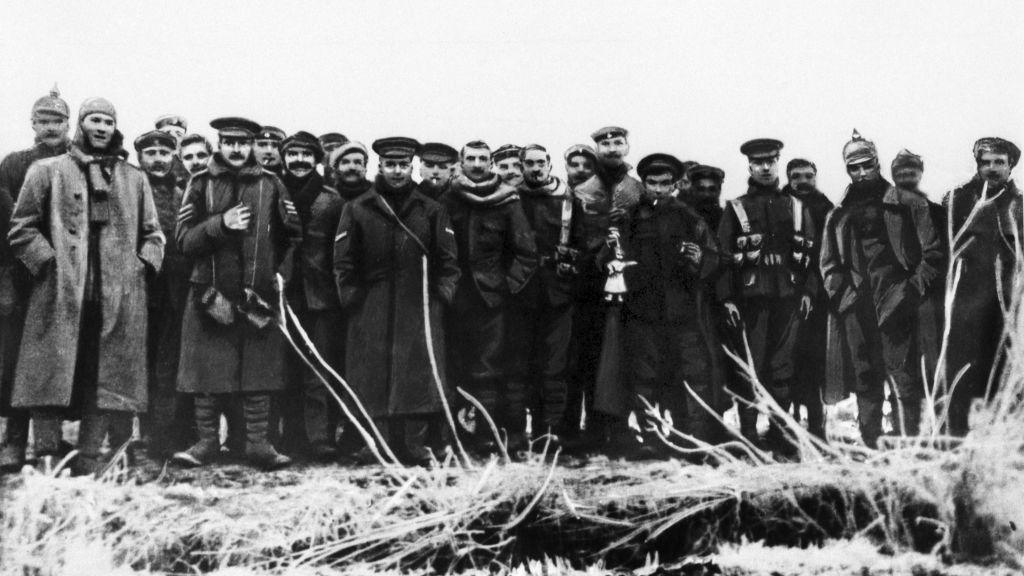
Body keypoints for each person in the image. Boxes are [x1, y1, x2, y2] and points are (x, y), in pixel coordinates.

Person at [8, 97, 164, 475]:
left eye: (107, 122)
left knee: (105, 375)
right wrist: (46, 262)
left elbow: (154, 234)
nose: (101, 128)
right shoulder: (47, 171)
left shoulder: (134, 178)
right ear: (81, 124)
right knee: (49, 373)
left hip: (116, 299)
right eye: (94, 120)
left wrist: (139, 267)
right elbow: (21, 228)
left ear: (115, 128)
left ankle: (92, 457)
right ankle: (46, 454)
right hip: (60, 294)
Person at [172, 116, 301, 470]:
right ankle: (207, 442)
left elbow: (293, 237)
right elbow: (183, 240)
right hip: (209, 296)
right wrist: (220, 225)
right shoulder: (200, 183)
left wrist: (279, 276)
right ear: (220, 143)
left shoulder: (271, 184)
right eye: (229, 142)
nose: (236, 149)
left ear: (253, 146)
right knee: (207, 375)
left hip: (257, 297)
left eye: (243, 143)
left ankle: (258, 444)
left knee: (258, 372)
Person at [334, 137, 460, 465]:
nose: (397, 171)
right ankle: (376, 443)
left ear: (411, 167)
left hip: (419, 304)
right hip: (370, 306)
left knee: (417, 375)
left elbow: (450, 263)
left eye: (403, 165)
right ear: (380, 167)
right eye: (390, 164)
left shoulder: (431, 209)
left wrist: (440, 299)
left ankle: (415, 445)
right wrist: (352, 299)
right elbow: (343, 262)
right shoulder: (358, 208)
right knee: (371, 374)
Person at [820, 131, 943, 447]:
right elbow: (829, 265)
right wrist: (844, 298)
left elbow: (933, 254)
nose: (862, 173)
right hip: (857, 307)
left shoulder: (908, 204)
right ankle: (872, 441)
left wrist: (912, 291)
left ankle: (908, 442)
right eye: (854, 168)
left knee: (903, 376)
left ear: (877, 163)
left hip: (897, 302)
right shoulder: (838, 215)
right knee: (865, 376)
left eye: (867, 165)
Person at [606, 153, 723, 457]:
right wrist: (612, 254)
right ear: (643, 184)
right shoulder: (630, 218)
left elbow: (713, 258)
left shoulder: (689, 217)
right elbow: (609, 258)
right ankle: (649, 437)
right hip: (642, 310)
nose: (659, 189)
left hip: (682, 311)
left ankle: (691, 438)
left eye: (665, 183)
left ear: (674, 184)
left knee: (690, 375)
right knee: (645, 376)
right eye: (652, 183)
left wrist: (700, 261)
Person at [717, 138, 817, 450]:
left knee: (782, 368)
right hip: (751, 303)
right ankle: (748, 434)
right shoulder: (736, 208)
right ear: (748, 166)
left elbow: (812, 256)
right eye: (758, 162)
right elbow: (722, 257)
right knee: (751, 365)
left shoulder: (797, 207)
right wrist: (727, 299)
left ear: (777, 163)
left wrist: (809, 293)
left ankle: (779, 432)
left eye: (771, 161)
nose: (765, 167)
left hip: (788, 299)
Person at [441, 140, 537, 454]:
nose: (478, 164)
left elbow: (526, 253)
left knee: (490, 366)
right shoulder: (447, 200)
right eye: (472, 159)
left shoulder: (508, 201)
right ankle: (456, 434)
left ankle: (487, 432)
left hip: (492, 299)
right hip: (455, 298)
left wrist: (507, 287)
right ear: (461, 161)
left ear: (491, 163)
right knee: (455, 364)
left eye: (484, 159)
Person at [0, 85, 72, 471]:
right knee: (14, 359)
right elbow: (4, 223)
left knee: (57, 357)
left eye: (57, 120)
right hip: (22, 276)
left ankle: (51, 441)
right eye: (43, 120)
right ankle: (13, 438)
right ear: (32, 123)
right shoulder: (14, 164)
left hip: (64, 278)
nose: (50, 127)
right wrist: (8, 278)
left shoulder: (77, 163)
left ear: (68, 123)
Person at [567, 127, 644, 449]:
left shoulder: (637, 190)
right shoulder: (583, 191)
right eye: (605, 143)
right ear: (596, 148)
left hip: (630, 285)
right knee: (591, 355)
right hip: (591, 287)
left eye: (617, 142)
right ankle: (595, 428)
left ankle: (622, 426)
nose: (612, 148)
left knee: (625, 354)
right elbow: (571, 238)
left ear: (627, 146)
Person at [942, 137, 1022, 436]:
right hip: (963, 304)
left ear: (1011, 165)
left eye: (999, 162)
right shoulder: (957, 201)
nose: (991, 168)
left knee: (1004, 375)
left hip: (1006, 306)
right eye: (985, 162)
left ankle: (1002, 444)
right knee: (959, 374)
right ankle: (954, 439)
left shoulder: (1020, 206)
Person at [508, 144, 583, 445]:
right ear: (522, 166)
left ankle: (550, 432)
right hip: (521, 293)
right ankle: (515, 433)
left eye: (541, 163)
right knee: (520, 364)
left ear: (550, 165)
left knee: (555, 366)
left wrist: (571, 259)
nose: (536, 169)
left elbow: (582, 242)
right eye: (530, 163)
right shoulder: (511, 198)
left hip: (558, 293)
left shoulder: (568, 201)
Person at [277, 131, 344, 459]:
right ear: (284, 158)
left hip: (320, 295)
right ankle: (289, 438)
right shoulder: (273, 191)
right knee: (284, 367)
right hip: (281, 293)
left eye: (306, 154)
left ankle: (319, 437)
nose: (299, 160)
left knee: (318, 367)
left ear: (317, 159)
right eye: (293, 154)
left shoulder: (331, 200)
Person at [134, 130, 194, 458]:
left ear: (175, 157)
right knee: (140, 362)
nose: (158, 159)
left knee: (168, 365)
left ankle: (166, 436)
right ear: (140, 157)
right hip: (139, 290)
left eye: (165, 153)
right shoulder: (129, 190)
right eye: (151, 153)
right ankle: (144, 434)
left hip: (175, 291)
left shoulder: (183, 193)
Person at [782, 158, 833, 439]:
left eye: (809, 175)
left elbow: (826, 256)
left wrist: (812, 291)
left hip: (817, 300)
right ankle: (787, 427)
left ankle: (816, 428)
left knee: (813, 365)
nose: (803, 181)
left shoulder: (826, 209)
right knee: (785, 363)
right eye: (796, 176)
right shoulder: (779, 206)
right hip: (785, 298)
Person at [890, 150, 945, 386]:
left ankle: (934, 408)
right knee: (900, 355)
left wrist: (919, 284)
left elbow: (940, 252)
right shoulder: (887, 210)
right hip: (894, 292)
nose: (906, 177)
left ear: (920, 174)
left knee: (929, 349)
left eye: (911, 171)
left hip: (926, 292)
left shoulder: (936, 211)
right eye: (900, 173)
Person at [681, 164, 725, 234]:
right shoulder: (681, 219)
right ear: (692, 190)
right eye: (701, 189)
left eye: (712, 189)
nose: (707, 195)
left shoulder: (727, 219)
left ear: (719, 191)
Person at [155, 114, 191, 188]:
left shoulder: (190, 165)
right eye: (167, 133)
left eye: (179, 134)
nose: (173, 138)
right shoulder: (148, 165)